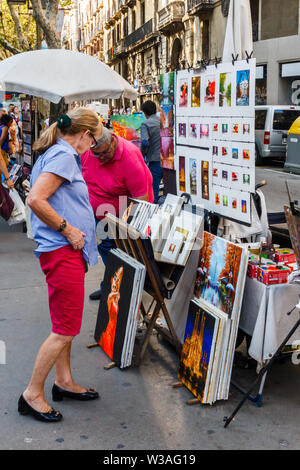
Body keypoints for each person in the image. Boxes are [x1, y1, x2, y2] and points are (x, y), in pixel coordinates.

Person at [19, 107, 103, 423]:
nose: (92, 147)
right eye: (93, 140)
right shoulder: (65, 155)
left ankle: (64, 380)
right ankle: (32, 394)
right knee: (66, 329)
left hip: (62, 250)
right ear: (84, 134)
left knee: (62, 324)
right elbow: (36, 199)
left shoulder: (56, 151)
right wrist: (68, 229)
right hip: (62, 249)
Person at [81, 127, 154, 301]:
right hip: (101, 211)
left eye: (104, 152)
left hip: (125, 211)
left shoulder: (129, 155)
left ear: (113, 140)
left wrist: (127, 228)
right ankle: (110, 285)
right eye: (96, 154)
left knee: (125, 252)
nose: (100, 158)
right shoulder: (88, 153)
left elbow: (141, 200)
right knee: (106, 248)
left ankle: (124, 288)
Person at [140, 100, 162, 203]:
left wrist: (141, 155)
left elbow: (145, 143)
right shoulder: (162, 121)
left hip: (154, 161)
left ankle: (154, 214)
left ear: (145, 112)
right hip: (167, 161)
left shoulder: (145, 124)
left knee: (154, 189)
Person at [0, 114, 14, 190]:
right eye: (10, 122)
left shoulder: (1, 127)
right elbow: (2, 139)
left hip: (2, 150)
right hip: (2, 151)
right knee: (3, 166)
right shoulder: (5, 128)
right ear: (7, 121)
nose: (11, 124)